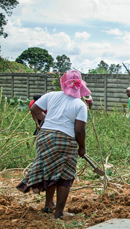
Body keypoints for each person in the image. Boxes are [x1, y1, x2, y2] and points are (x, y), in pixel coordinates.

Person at [16, 70, 91, 219]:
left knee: (50, 170)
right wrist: (82, 147)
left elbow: (34, 109)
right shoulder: (80, 105)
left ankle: (49, 204)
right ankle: (59, 212)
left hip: (44, 136)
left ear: (64, 84)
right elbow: (79, 130)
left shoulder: (50, 95)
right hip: (64, 140)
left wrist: (48, 119)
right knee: (65, 176)